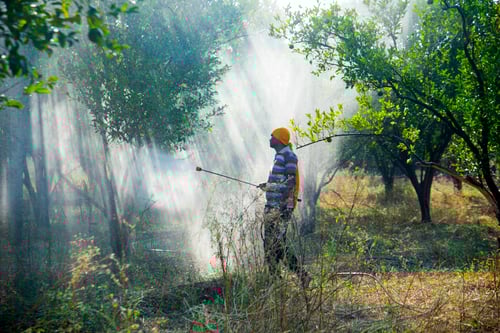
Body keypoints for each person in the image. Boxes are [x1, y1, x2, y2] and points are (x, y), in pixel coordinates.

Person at [258, 127, 310, 286]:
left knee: (276, 245)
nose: (269, 139)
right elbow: (281, 181)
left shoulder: (289, 156)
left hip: (280, 208)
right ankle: (275, 280)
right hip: (272, 206)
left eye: (271, 136)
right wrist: (268, 185)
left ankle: (301, 275)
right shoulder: (280, 156)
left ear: (279, 139)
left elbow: (290, 183)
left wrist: (283, 206)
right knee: (270, 244)